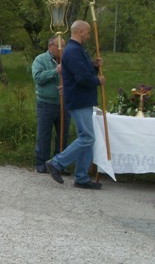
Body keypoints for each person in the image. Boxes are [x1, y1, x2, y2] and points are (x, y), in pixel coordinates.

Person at [46, 20, 106, 189]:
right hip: (79, 100)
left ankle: (81, 176)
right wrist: (98, 80)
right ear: (80, 31)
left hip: (82, 99)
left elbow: (82, 71)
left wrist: (94, 66)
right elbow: (82, 78)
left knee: (87, 138)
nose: (88, 35)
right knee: (87, 138)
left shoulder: (77, 50)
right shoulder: (73, 51)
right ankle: (57, 163)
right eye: (87, 32)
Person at [32, 36, 70, 173]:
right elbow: (38, 78)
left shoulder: (67, 61)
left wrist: (66, 86)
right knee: (44, 134)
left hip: (64, 103)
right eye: (59, 46)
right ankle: (41, 163)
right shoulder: (40, 60)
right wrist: (55, 72)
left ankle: (59, 164)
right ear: (50, 46)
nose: (62, 49)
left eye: (64, 46)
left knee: (62, 134)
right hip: (46, 103)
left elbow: (74, 78)